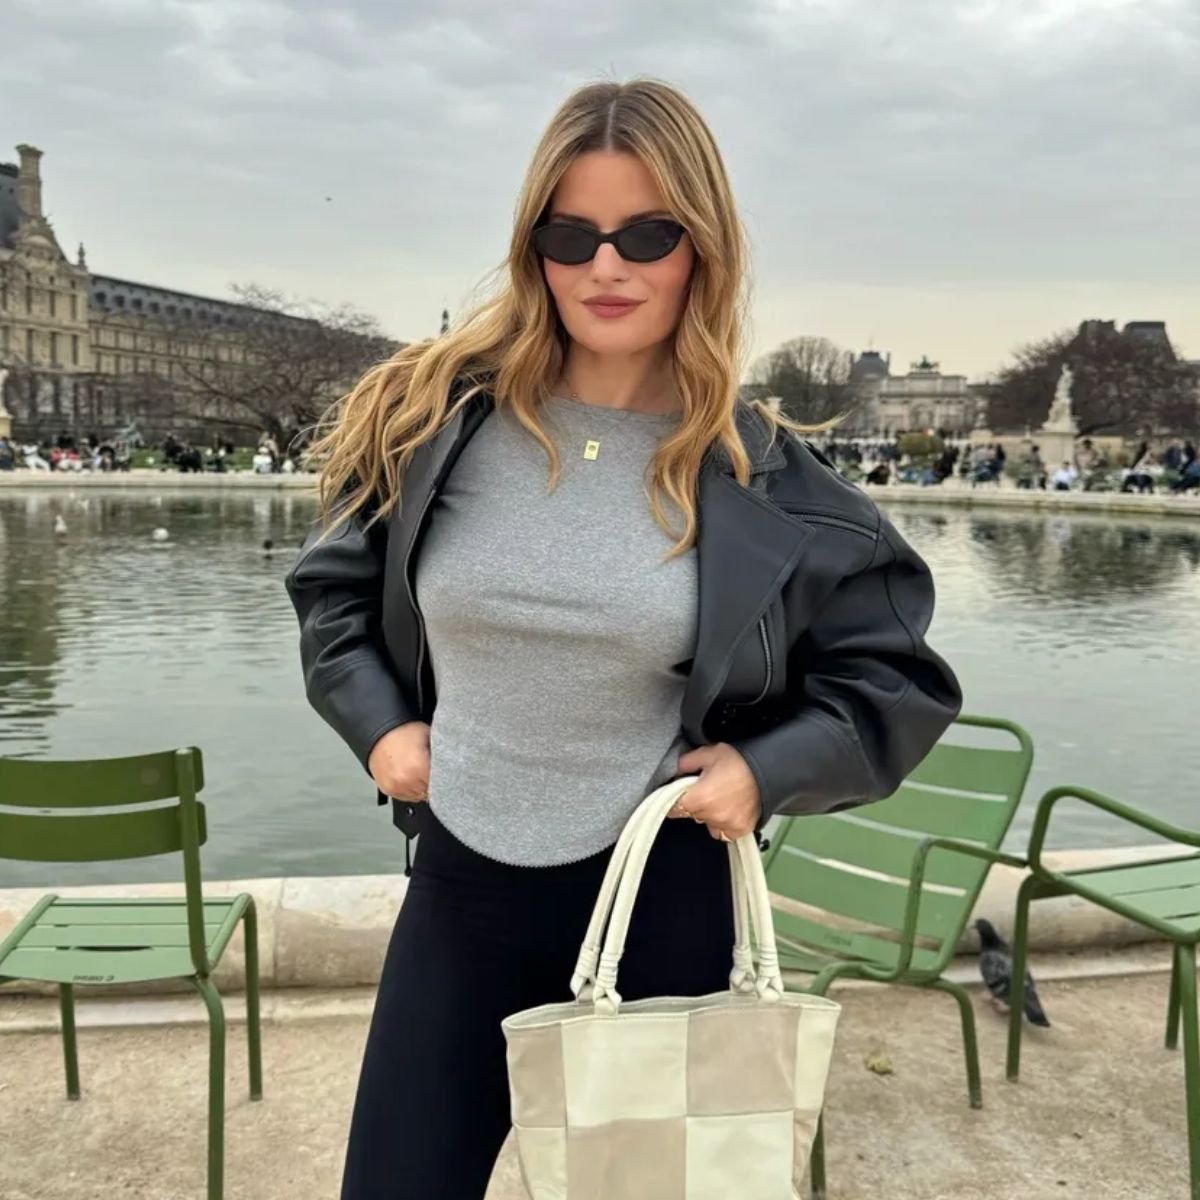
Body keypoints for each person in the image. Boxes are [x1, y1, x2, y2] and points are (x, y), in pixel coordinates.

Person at [284, 78, 961, 1200]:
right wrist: (380, 731)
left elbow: (897, 677)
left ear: (704, 246)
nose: (607, 268)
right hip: (461, 884)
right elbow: (333, 597)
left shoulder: (767, 477)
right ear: (532, 247)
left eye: (647, 234)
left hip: (661, 897)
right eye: (571, 235)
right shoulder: (429, 419)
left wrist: (763, 769)